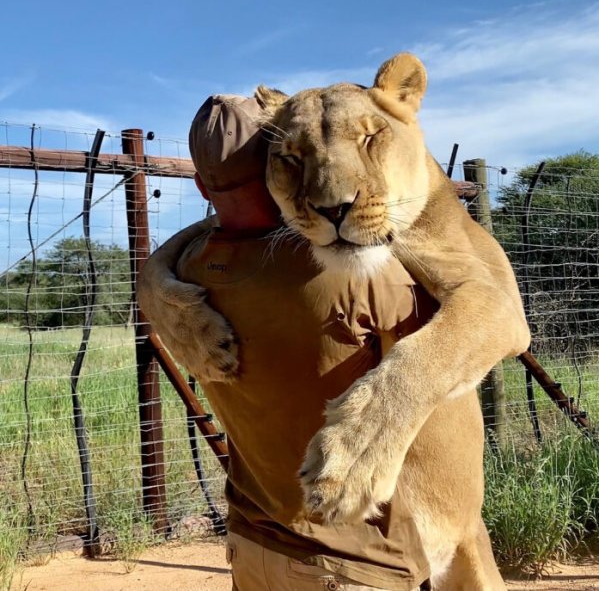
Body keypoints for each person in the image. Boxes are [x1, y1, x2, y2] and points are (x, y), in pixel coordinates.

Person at [140, 94, 437, 591]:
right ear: (281, 170)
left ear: (199, 185)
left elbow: (211, 228)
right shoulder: (354, 272)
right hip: (352, 561)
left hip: (253, 545)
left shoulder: (185, 273)